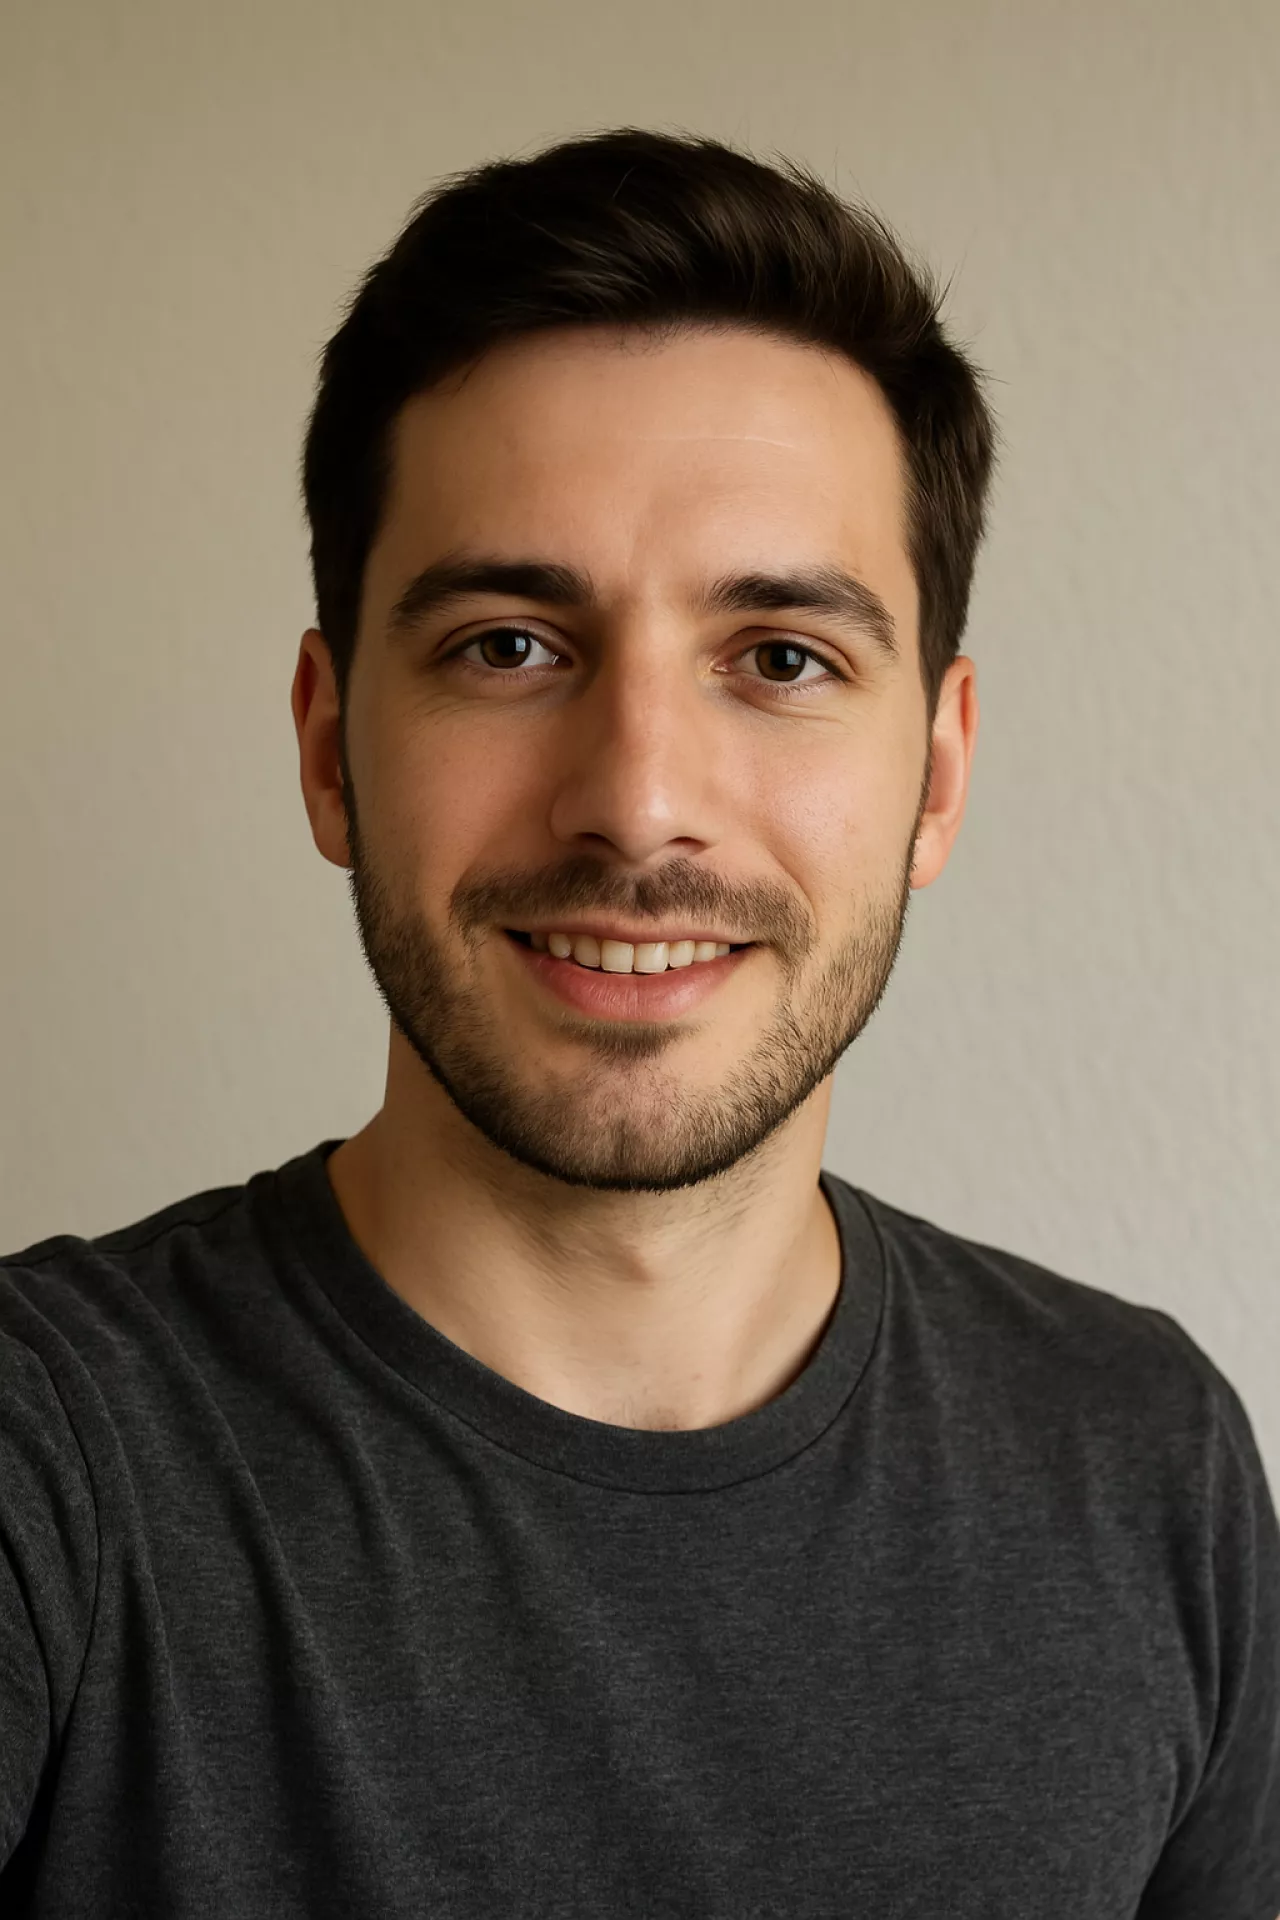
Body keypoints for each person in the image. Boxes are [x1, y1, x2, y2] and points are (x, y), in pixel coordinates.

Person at [1, 127, 1276, 1920]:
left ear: (938, 773)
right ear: (328, 747)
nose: (638, 802)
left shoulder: (1145, 1461)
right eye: (509, 645)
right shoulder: (49, 1462)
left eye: (782, 660)